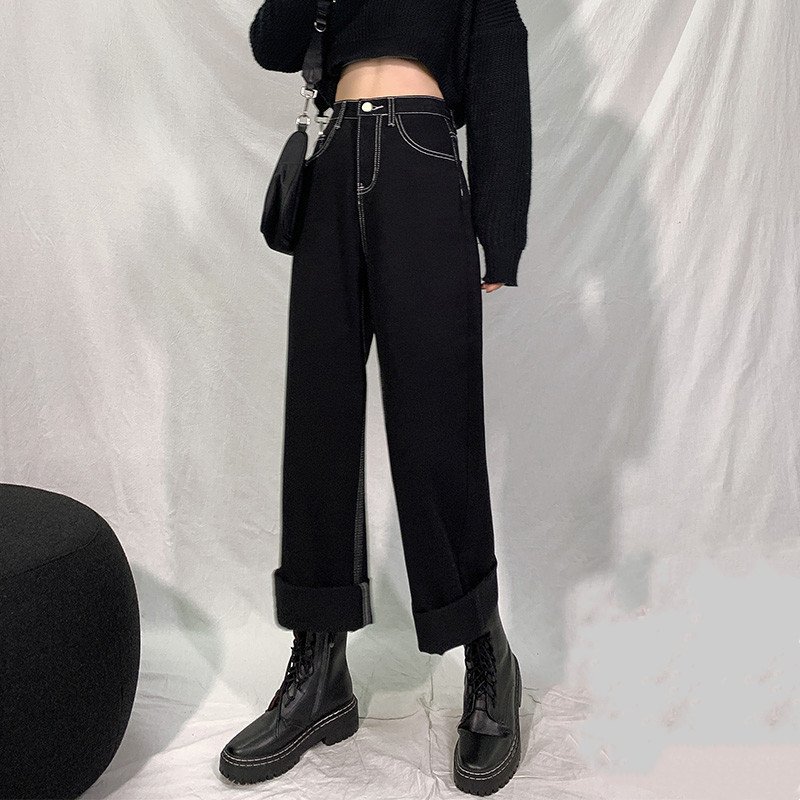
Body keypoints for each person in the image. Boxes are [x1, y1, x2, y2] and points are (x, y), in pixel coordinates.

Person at [219, 0, 531, 794]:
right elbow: (272, 44)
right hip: (332, 162)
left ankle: (487, 654)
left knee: (436, 425)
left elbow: (499, 63)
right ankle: (320, 668)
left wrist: (500, 228)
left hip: (420, 156)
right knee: (317, 418)